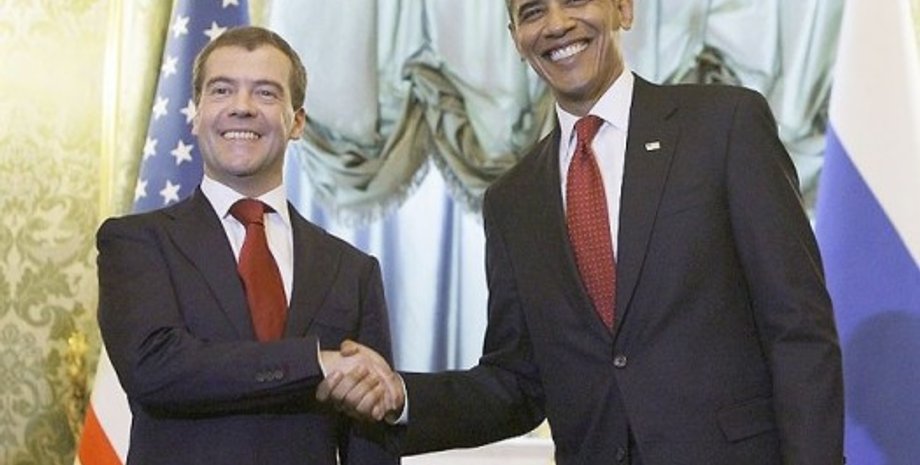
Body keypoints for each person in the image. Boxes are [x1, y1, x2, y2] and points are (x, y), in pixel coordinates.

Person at [318, 1, 844, 464]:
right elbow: (516, 385)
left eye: (575, 0)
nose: (556, 24)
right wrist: (400, 395)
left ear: (623, 8)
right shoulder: (512, 201)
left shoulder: (723, 125)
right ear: (516, 39)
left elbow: (798, 328)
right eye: (532, 12)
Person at [96, 26, 400, 465]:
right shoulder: (137, 242)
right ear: (196, 114)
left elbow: (369, 432)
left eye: (266, 93)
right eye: (222, 90)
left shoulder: (353, 270)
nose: (242, 107)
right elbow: (154, 368)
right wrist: (316, 363)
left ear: (297, 122)